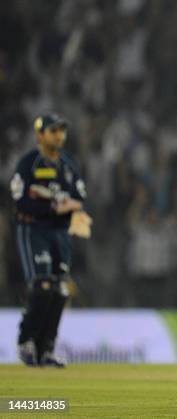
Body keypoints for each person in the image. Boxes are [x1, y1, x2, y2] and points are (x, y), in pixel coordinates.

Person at [10, 113, 89, 368]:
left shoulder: (68, 165)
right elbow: (20, 200)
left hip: (60, 233)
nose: (59, 135)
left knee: (60, 290)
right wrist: (55, 206)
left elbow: (78, 199)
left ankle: (46, 349)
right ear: (40, 134)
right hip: (34, 230)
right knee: (42, 285)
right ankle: (26, 341)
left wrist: (50, 202)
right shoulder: (28, 164)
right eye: (53, 131)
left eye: (61, 131)